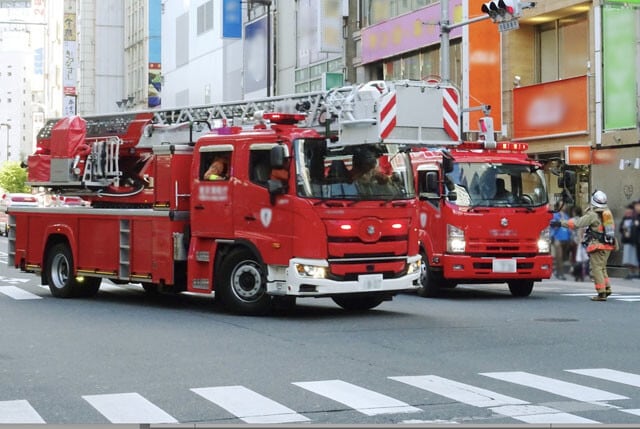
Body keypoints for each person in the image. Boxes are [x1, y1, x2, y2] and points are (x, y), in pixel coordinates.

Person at [554, 190, 617, 301]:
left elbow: (577, 224)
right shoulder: (607, 212)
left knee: (595, 269)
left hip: (598, 246)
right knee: (602, 268)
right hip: (608, 245)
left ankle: (601, 293)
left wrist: (560, 223)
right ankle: (607, 288)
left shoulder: (592, 215)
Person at [550, 206, 572, 280]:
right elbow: (552, 224)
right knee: (559, 256)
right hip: (557, 238)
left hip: (565, 238)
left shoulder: (566, 216)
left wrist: (570, 236)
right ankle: (560, 273)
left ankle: (557, 271)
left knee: (563, 257)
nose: (563, 207)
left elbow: (569, 226)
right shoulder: (556, 215)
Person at [619, 204, 638, 279]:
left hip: (634, 242)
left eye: (629, 212)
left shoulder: (635, 219)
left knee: (634, 258)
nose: (627, 213)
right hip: (627, 241)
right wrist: (623, 229)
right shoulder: (624, 219)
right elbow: (621, 228)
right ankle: (631, 273)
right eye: (626, 212)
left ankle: (636, 273)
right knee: (628, 259)